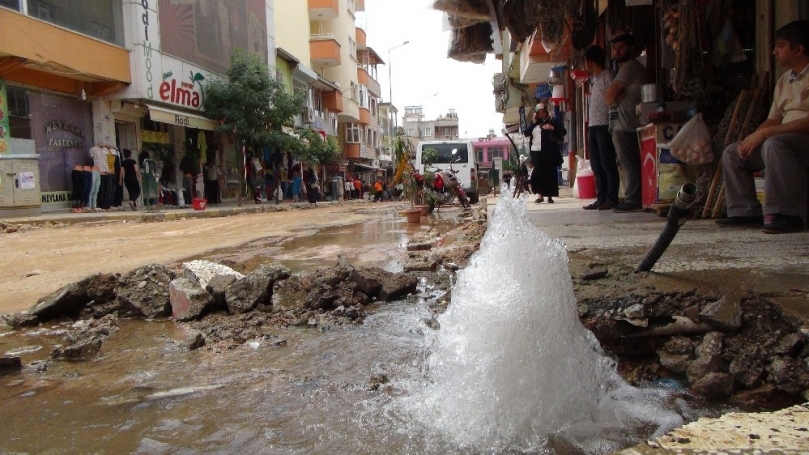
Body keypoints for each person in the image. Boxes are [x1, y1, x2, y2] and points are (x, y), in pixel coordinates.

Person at [717, 20, 809, 234]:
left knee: (775, 144)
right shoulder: (785, 80)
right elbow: (774, 118)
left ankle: (786, 214)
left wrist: (767, 134)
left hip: (800, 141)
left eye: (780, 45)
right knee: (733, 152)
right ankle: (745, 212)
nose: (775, 51)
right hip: (784, 140)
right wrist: (754, 136)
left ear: (798, 49)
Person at [605, 33, 648, 212]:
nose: (617, 52)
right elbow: (610, 96)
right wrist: (615, 93)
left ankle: (633, 199)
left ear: (631, 47)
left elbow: (607, 97)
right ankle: (633, 196)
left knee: (629, 162)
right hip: (625, 123)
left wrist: (614, 93)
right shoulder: (626, 68)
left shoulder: (630, 67)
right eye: (615, 49)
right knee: (628, 162)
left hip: (626, 124)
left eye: (621, 48)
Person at [583, 45, 620, 211]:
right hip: (593, 125)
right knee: (596, 165)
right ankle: (601, 197)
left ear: (589, 61)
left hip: (605, 125)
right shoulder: (595, 79)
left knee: (607, 163)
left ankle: (612, 197)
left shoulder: (608, 76)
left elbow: (616, 96)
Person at [522, 103, 566, 203]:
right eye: (539, 113)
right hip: (536, 151)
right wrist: (533, 122)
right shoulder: (534, 123)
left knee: (550, 173)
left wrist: (552, 128)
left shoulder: (553, 121)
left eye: (543, 112)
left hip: (549, 151)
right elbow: (526, 133)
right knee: (538, 174)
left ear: (546, 112)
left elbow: (563, 132)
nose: (541, 115)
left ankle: (550, 195)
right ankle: (539, 195)